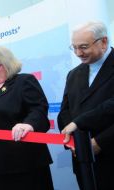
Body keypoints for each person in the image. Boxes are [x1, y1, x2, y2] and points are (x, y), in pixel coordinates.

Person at [0, 47, 54, 190]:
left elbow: (39, 110)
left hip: (22, 161)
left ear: (8, 64)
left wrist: (28, 125)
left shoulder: (24, 81)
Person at [58, 21, 114, 190]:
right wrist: (74, 141)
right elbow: (65, 111)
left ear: (103, 42)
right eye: (73, 47)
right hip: (83, 160)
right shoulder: (73, 74)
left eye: (83, 47)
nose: (77, 53)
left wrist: (100, 142)